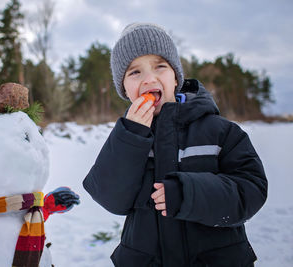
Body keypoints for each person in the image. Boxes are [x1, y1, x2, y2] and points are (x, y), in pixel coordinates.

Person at [83, 22, 267, 267]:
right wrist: (131, 136)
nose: (149, 78)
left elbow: (251, 190)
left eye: (160, 66)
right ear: (125, 89)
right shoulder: (126, 138)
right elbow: (110, 198)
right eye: (134, 72)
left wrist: (188, 194)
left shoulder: (220, 131)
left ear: (176, 77)